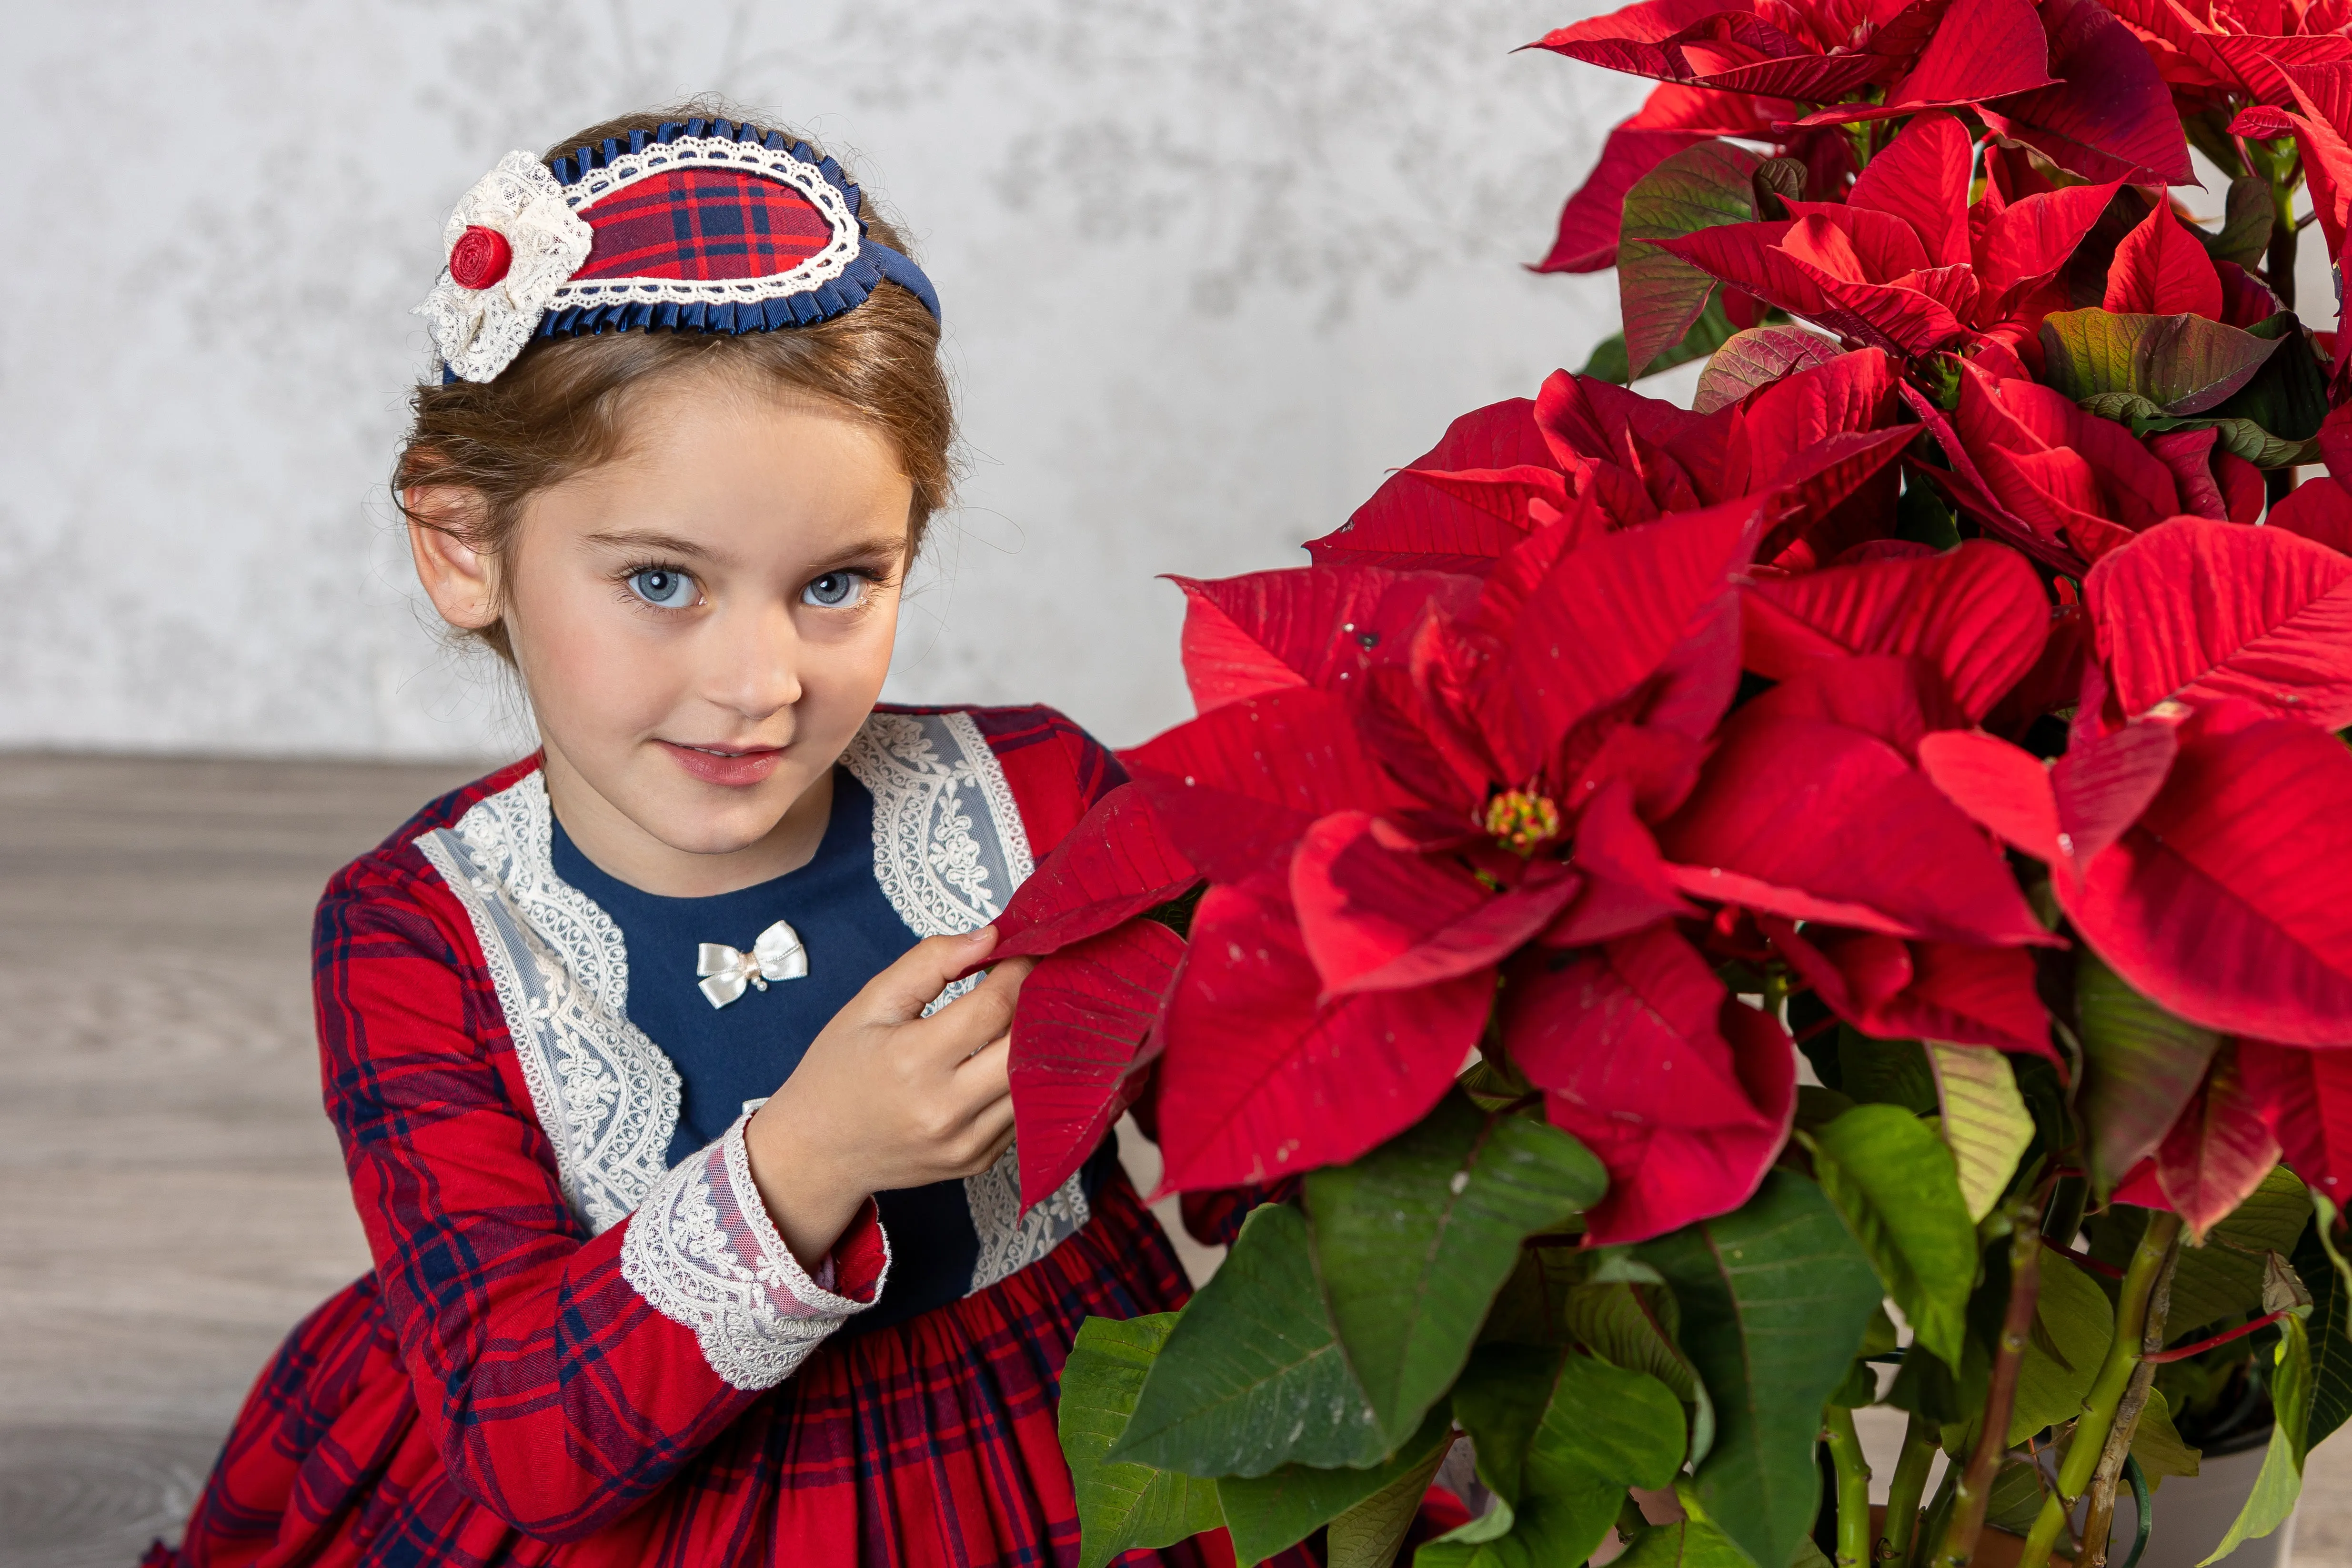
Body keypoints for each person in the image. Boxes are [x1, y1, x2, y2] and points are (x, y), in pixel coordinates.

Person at [149, 103, 1283, 1568]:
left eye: (837, 582)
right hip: (635, 1480)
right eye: (664, 582)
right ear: (465, 546)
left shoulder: (1041, 799)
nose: (761, 685)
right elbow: (527, 1445)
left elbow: (1267, 1134)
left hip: (1034, 1444)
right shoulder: (419, 934)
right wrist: (811, 1156)